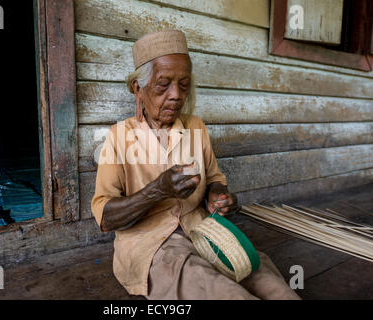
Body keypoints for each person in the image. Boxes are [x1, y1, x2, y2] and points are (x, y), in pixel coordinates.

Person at [91, 30, 300, 300]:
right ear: (138, 89)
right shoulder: (118, 137)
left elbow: (215, 177)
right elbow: (105, 218)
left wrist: (218, 196)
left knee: (268, 282)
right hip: (153, 245)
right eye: (163, 84)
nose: (176, 95)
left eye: (184, 84)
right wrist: (158, 190)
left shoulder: (195, 127)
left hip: (205, 232)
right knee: (223, 292)